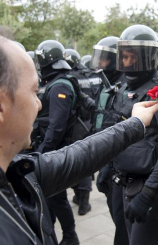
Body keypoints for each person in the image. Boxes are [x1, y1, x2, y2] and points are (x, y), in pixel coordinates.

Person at [0, 35, 158, 244]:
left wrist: (135, 123)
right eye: (33, 92)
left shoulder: (18, 172)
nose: (39, 105)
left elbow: (76, 157)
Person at [112, 24, 158, 245]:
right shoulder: (123, 88)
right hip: (126, 182)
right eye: (125, 57)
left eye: (134, 58)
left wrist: (149, 192)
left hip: (150, 187)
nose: (128, 63)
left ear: (149, 58)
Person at [33, 40, 81, 245]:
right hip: (49, 148)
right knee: (49, 196)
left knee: (57, 197)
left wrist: (43, 152)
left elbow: (57, 126)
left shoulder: (60, 85)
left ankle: (70, 236)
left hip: (53, 150)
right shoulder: (54, 82)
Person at [92, 36, 129, 245]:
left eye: (104, 59)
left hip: (116, 162)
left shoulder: (124, 85)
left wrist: (108, 166)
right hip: (104, 154)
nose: (100, 63)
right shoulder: (107, 82)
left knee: (122, 221)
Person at [65, 48, 95, 216]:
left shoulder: (71, 78)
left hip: (78, 125)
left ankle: (82, 201)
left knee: (80, 161)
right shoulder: (91, 74)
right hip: (91, 121)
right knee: (85, 160)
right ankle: (81, 199)